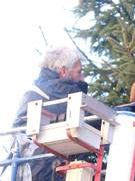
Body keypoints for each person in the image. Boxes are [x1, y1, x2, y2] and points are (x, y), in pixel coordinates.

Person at [11, 46, 88, 181]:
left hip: (36, 167)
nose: (82, 78)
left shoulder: (35, 93)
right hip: (41, 168)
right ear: (64, 71)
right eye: (79, 72)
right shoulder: (61, 96)